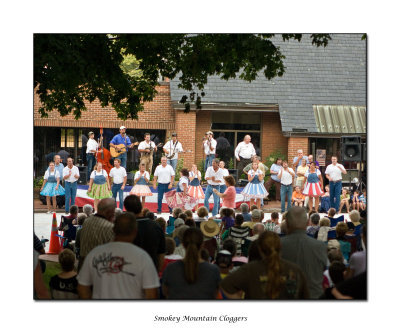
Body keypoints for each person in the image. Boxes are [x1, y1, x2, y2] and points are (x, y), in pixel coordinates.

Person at [77, 212, 160, 299]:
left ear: (113, 230)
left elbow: (82, 287)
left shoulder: (94, 254)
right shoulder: (143, 257)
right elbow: (151, 294)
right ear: (135, 232)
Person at [221, 231, 309, 299]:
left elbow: (225, 286)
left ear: (259, 248)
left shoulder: (250, 269)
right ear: (280, 246)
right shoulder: (294, 269)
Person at [280, 206, 327, 299]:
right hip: (314, 297)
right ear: (307, 223)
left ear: (287, 224)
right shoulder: (320, 246)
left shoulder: (277, 246)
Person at [162, 228, 221, 299]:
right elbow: (216, 295)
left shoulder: (170, 269)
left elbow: (165, 293)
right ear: (202, 245)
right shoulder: (213, 271)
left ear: (183, 244)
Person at [124, 195, 166, 272]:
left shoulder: (125, 227)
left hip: (130, 272)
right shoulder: (155, 226)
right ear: (141, 207)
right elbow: (161, 253)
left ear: (126, 209)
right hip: (151, 270)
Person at [78, 198, 116, 271]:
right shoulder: (109, 227)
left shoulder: (87, 222)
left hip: (84, 264)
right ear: (109, 212)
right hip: (99, 268)